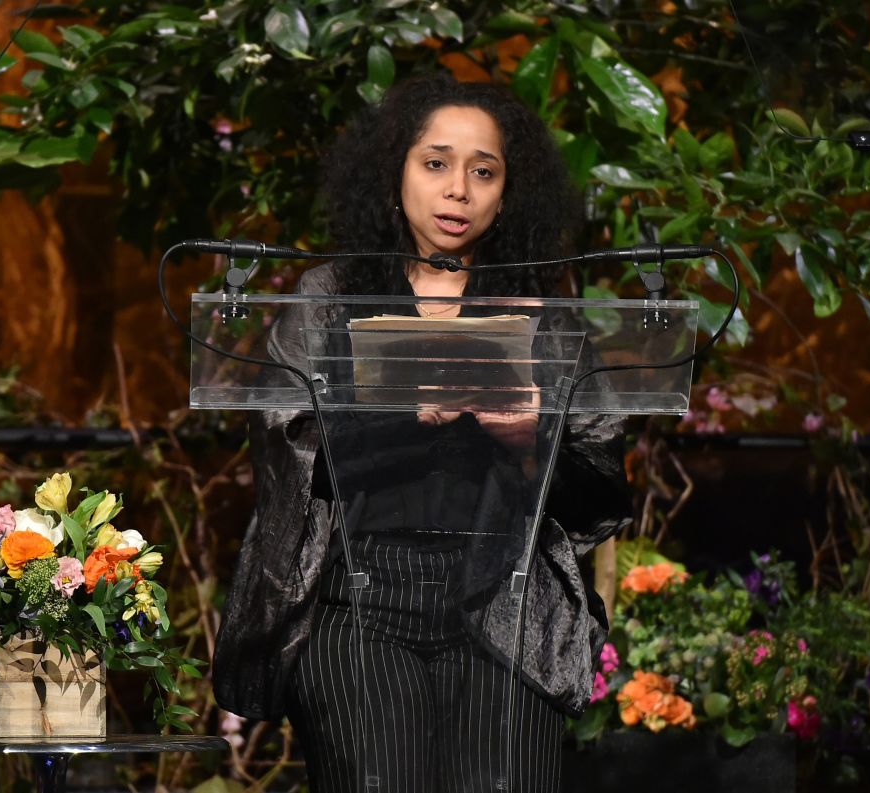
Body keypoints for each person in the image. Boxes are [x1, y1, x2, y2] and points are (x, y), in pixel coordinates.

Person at [212, 74, 631, 793]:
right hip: (358, 604)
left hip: (508, 605)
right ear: (395, 172)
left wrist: (531, 435)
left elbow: (600, 485)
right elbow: (286, 461)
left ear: (508, 193)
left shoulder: (544, 316)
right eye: (435, 163)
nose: (457, 190)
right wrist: (404, 416)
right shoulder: (328, 299)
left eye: (483, 171)